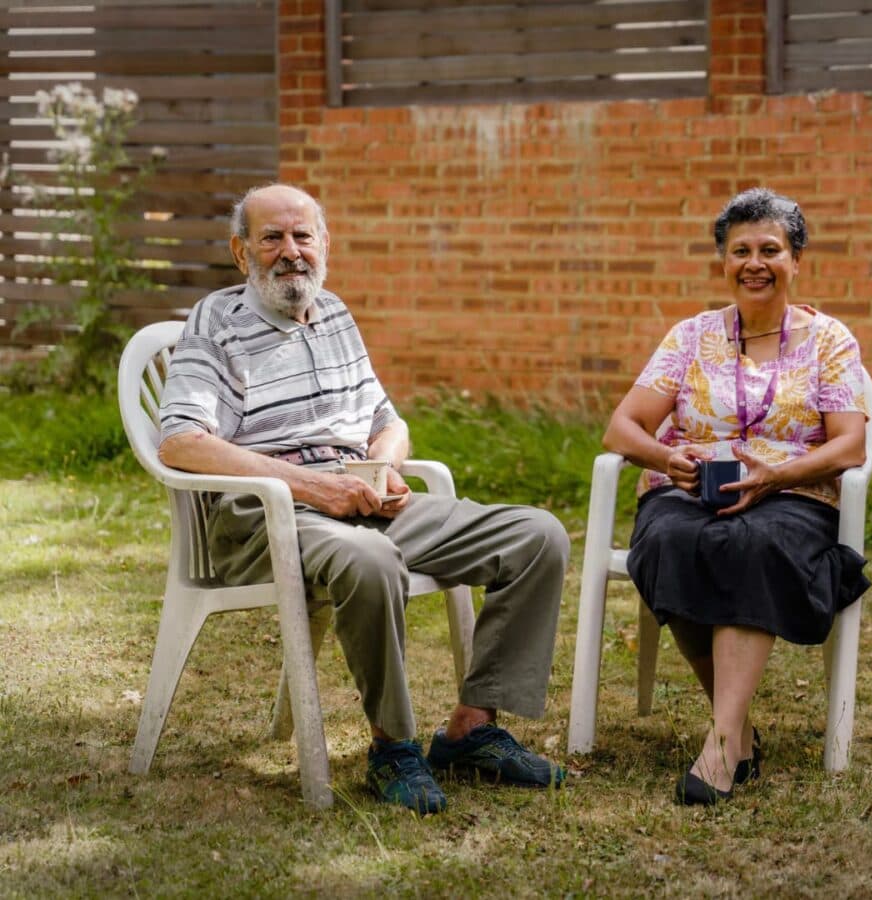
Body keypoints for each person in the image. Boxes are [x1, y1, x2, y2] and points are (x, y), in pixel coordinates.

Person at [157, 183, 569, 815]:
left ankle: (470, 729)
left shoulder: (335, 314)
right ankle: (392, 748)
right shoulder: (218, 321)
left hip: (360, 498)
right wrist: (317, 486)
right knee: (370, 562)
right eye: (272, 238)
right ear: (242, 254)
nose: (290, 252)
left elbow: (387, 419)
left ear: (325, 245)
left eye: (303, 237)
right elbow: (181, 443)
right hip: (269, 512)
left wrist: (385, 468)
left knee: (537, 536)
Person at [603, 187, 870, 805]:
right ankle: (740, 729)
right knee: (672, 540)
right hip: (691, 488)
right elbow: (622, 427)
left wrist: (779, 475)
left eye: (770, 249)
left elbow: (850, 445)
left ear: (796, 259)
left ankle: (721, 747)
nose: (755, 262)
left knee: (750, 544)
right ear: (724, 261)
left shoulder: (830, 341)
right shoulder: (692, 336)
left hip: (794, 494)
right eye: (740, 250)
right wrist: (669, 458)